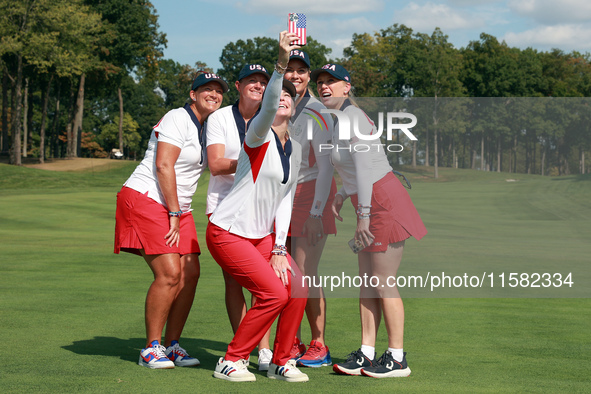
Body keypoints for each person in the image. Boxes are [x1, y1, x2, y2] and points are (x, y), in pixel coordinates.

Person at [310, 63, 427, 378]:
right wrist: (340, 196)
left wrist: (362, 214)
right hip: (369, 200)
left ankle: (397, 358)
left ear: (347, 87)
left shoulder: (354, 117)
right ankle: (366, 352)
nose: (324, 87)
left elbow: (365, 168)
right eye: (320, 82)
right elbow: (352, 169)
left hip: (382, 201)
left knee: (382, 281)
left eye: (331, 82)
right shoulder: (339, 121)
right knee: (367, 282)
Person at [207, 31, 309, 383]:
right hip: (228, 232)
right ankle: (232, 359)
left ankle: (282, 361)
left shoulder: (295, 149)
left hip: (263, 237)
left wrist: (280, 248)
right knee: (271, 293)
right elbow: (266, 109)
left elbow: (286, 201)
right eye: (276, 95)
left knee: (297, 285)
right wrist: (281, 64)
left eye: (289, 97)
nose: (283, 98)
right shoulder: (257, 135)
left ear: (295, 107)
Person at [114, 72, 228, 369]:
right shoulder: (178, 117)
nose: (213, 94)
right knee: (169, 273)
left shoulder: (208, 127)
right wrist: (175, 214)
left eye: (218, 91)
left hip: (179, 208)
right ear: (193, 94)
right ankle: (151, 347)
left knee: (190, 274)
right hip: (148, 198)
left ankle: (172, 344)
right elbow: (164, 165)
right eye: (207, 89)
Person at [205, 63, 274, 371]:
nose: (258, 85)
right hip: (225, 210)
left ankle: (264, 350)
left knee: (264, 284)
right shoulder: (220, 117)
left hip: (260, 212)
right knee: (234, 281)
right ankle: (242, 348)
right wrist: (251, 161)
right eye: (251, 80)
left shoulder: (272, 118)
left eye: (263, 81)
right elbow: (217, 165)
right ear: (238, 85)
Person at [283, 50, 336, 367]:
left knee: (304, 273)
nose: (296, 76)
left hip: (312, 193)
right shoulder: (279, 107)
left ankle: (318, 343)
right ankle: (293, 339)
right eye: (290, 71)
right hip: (284, 195)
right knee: (286, 273)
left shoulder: (319, 112)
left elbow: (328, 167)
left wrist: (317, 212)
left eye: (302, 71)